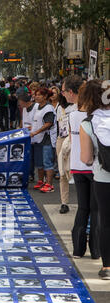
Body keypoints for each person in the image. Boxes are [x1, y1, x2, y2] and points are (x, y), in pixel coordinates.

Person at [80, 79, 110, 278]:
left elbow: (86, 158)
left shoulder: (88, 123)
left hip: (103, 178)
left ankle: (107, 266)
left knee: (106, 222)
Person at [69, 81, 100, 260]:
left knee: (83, 208)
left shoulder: (73, 115)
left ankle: (78, 250)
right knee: (96, 210)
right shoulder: (97, 117)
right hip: (94, 167)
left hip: (77, 166)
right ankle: (96, 251)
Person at [30, 87, 57, 193]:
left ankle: (49, 184)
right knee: (39, 162)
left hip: (47, 138)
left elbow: (48, 123)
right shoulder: (37, 106)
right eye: (35, 94)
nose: (36, 96)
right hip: (36, 138)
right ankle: (41, 181)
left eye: (39, 95)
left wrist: (36, 132)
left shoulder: (49, 108)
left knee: (47, 161)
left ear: (45, 96)